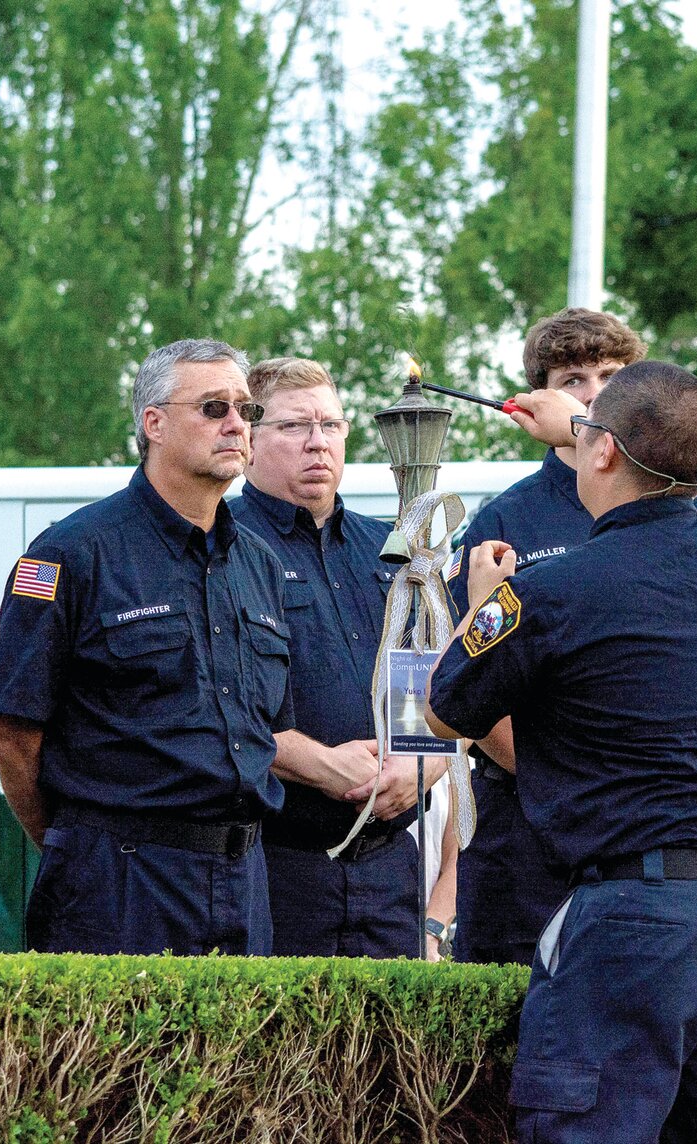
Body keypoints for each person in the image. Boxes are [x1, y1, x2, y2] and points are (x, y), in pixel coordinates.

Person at [427, 361, 697, 1144]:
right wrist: (586, 426)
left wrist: (481, 602)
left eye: (591, 435)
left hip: (635, 917)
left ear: (601, 454)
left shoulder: (552, 591)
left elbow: (443, 707)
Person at [0, 338, 292, 956]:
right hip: (119, 881)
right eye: (213, 408)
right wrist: (78, 846)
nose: (237, 423)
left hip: (244, 879)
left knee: (240, 1057)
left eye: (245, 410)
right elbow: (11, 735)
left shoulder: (257, 563)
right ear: (154, 423)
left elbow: (267, 730)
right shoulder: (70, 553)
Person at [444, 307, 647, 966]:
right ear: (540, 398)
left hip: (643, 827)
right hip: (528, 828)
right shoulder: (507, 520)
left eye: (612, 377)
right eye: (573, 380)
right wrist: (558, 787)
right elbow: (471, 683)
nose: (592, 395)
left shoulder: (669, 508)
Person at [231, 356, 447, 957]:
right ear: (248, 439)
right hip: (276, 865)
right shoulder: (224, 547)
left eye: (331, 424)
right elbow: (219, 707)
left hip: (387, 868)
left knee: (387, 1047)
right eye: (295, 426)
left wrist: (420, 764)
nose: (317, 443)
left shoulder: (391, 549)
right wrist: (322, 764)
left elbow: (423, 674)